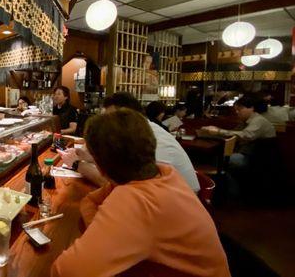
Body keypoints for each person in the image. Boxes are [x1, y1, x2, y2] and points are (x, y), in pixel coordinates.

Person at [51, 109, 230, 277]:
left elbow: (65, 271)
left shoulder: (136, 200)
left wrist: (103, 236)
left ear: (100, 164)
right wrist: (103, 234)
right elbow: (89, 201)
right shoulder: (162, 173)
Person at [59, 92, 200, 192]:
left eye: (113, 119)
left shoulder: (148, 139)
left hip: (174, 212)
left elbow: (120, 186)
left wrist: (78, 165)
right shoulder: (138, 133)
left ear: (129, 116)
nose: (107, 126)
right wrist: (89, 156)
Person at [202, 94, 276, 168]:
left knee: (215, 159)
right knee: (211, 156)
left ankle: (220, 179)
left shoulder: (259, 120)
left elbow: (245, 135)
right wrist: (213, 131)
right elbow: (233, 134)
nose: (237, 112)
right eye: (236, 110)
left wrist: (218, 131)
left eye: (240, 109)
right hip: (246, 154)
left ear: (251, 108)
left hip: (254, 159)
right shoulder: (245, 121)